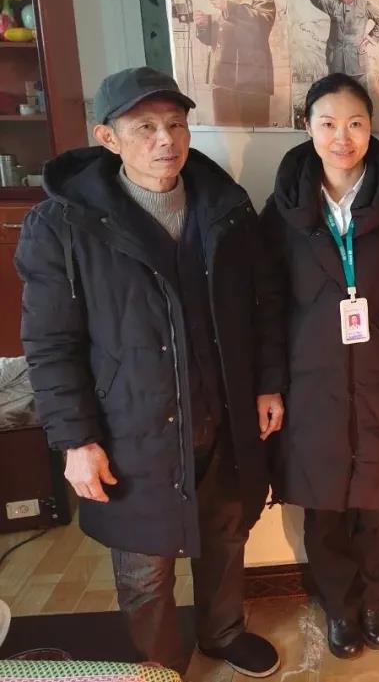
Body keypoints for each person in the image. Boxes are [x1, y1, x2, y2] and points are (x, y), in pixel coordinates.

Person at [15, 67, 285, 676]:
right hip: (129, 425)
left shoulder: (225, 207)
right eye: (144, 128)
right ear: (107, 137)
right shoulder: (63, 224)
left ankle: (223, 633)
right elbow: (50, 344)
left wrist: (268, 382)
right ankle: (157, 667)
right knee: (144, 566)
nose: (166, 139)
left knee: (226, 536)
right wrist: (76, 440)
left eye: (176, 125)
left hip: (221, 412)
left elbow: (263, 304)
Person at [260, 74, 379, 660]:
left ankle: (374, 603)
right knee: (324, 507)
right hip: (309, 384)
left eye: (356, 123)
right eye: (328, 124)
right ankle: (339, 608)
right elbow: (265, 305)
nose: (342, 137)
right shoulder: (285, 208)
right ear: (308, 127)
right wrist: (269, 386)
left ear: (370, 128)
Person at [194, 0, 276, 127]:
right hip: (221, 80)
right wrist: (204, 25)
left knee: (256, 135)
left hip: (252, 81)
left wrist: (229, 7)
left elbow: (263, 24)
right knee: (225, 136)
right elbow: (215, 39)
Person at [298, 0, 379, 85]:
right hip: (336, 64)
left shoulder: (364, 5)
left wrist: (370, 38)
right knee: (336, 94)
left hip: (357, 66)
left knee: (360, 95)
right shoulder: (333, 5)